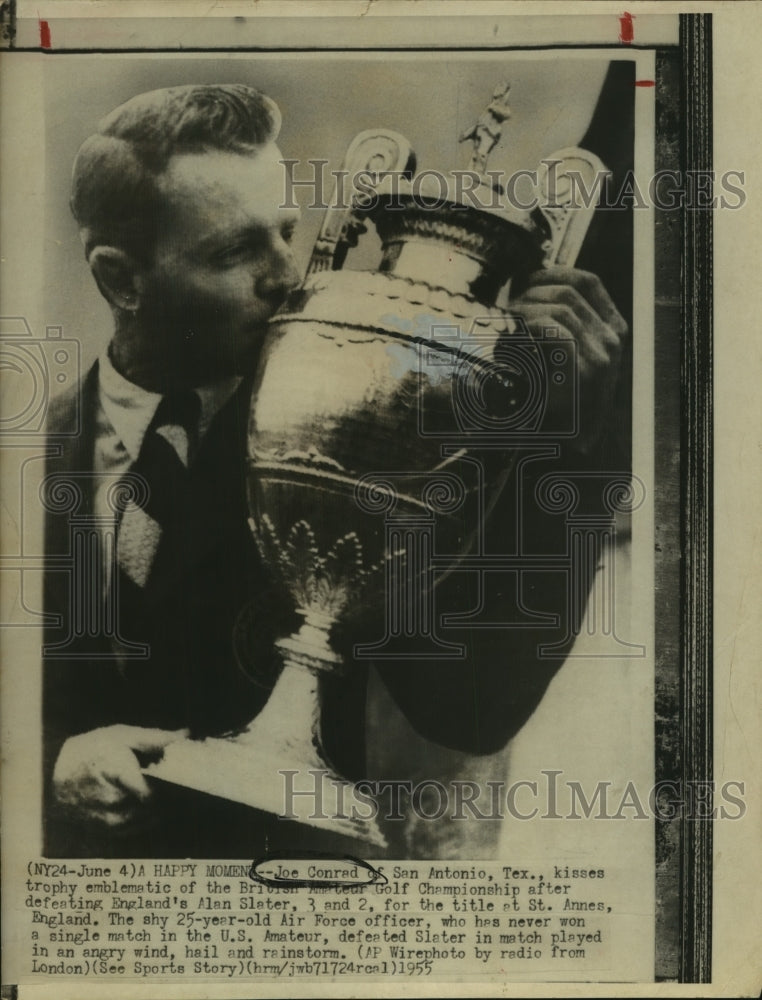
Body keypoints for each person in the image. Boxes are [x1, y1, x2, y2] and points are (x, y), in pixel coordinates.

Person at [43, 84, 627, 858]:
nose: (285, 274)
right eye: (233, 252)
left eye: (285, 232)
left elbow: (473, 708)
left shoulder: (375, 432)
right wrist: (51, 761)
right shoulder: (36, 449)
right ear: (122, 280)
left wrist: (569, 439)